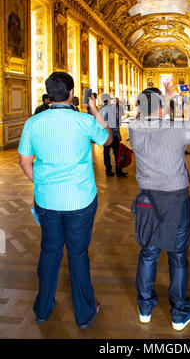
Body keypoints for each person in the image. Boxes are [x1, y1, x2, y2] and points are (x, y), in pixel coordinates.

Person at [18, 72, 112, 329]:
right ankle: (84, 313)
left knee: (49, 252)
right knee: (78, 254)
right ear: (71, 94)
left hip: (47, 201)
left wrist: (43, 185)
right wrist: (94, 110)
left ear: (48, 96)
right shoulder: (83, 121)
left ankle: (43, 308)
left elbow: (25, 162)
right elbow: (108, 140)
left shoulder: (33, 123)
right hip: (80, 201)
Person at [129, 80, 190, 331]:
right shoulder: (178, 130)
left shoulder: (134, 128)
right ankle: (179, 312)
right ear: (160, 108)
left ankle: (145, 307)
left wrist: (163, 100)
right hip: (175, 200)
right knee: (178, 256)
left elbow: (149, 116)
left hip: (147, 200)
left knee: (148, 253)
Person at [99, 94, 127, 177]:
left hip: (106, 134)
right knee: (116, 153)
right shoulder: (111, 109)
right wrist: (118, 132)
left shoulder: (101, 109)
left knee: (107, 153)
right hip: (112, 134)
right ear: (107, 99)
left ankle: (109, 171)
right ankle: (118, 171)